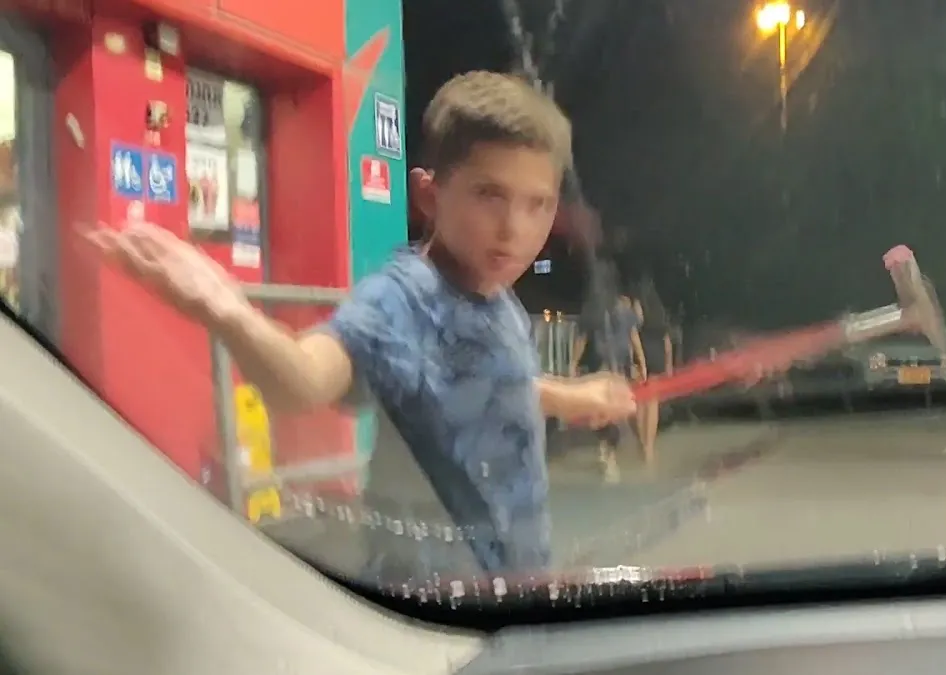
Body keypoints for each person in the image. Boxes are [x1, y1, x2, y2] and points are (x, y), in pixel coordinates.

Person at [87, 71, 636, 579]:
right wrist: (225, 309)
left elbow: (475, 381)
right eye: (489, 194)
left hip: (514, 585)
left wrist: (569, 396)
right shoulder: (402, 299)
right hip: (434, 607)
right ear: (428, 195)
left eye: (538, 204)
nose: (514, 228)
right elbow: (305, 379)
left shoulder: (497, 296)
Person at [570, 291, 646, 483]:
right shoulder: (618, 311)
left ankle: (610, 451)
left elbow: (582, 339)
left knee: (608, 412)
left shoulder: (595, 310)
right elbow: (633, 338)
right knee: (610, 412)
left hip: (606, 368)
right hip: (612, 369)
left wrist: (573, 364)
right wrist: (641, 363)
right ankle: (612, 452)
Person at [632, 278, 672, 466]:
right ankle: (649, 447)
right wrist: (669, 365)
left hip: (642, 355)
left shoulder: (637, 304)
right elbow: (667, 341)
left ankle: (643, 446)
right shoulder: (659, 311)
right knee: (653, 403)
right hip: (658, 357)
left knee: (641, 403)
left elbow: (634, 327)